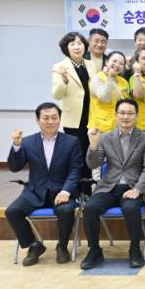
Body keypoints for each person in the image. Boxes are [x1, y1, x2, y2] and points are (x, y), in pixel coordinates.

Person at [5, 102, 82, 266]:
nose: (50, 121)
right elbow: (14, 167)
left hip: (61, 192)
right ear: (37, 120)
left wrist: (66, 191)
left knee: (66, 210)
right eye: (46, 118)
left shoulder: (71, 141)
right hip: (34, 191)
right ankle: (34, 246)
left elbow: (76, 170)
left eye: (54, 117)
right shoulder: (27, 142)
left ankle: (62, 246)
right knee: (12, 211)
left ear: (60, 119)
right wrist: (17, 145)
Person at [82, 99, 145, 269]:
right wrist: (93, 145)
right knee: (90, 207)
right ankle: (94, 250)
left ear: (137, 116)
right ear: (116, 115)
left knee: (131, 208)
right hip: (109, 186)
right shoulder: (105, 137)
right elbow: (93, 164)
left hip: (132, 187)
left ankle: (135, 249)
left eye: (130, 113)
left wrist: (138, 189)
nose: (126, 117)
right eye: (122, 113)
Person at [51, 31, 96, 183]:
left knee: (90, 150)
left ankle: (89, 187)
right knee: (76, 153)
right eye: (72, 44)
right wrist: (64, 79)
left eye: (80, 43)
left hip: (91, 115)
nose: (77, 47)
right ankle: (75, 187)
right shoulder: (59, 66)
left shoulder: (91, 64)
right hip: (73, 118)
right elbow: (56, 95)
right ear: (66, 48)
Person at [88, 51, 130, 134]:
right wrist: (109, 77)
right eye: (114, 61)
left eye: (121, 64)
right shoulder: (97, 78)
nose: (117, 65)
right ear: (106, 62)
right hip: (99, 128)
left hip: (118, 127)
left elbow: (124, 102)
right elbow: (105, 98)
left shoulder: (124, 82)